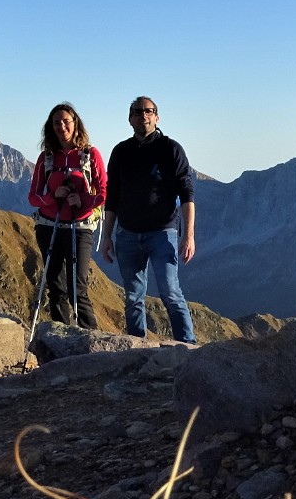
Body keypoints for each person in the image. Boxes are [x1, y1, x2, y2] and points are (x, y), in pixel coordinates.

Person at [99, 96, 197, 344]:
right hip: (128, 233)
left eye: (149, 111)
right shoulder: (121, 151)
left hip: (163, 233)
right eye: (138, 111)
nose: (144, 115)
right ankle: (137, 349)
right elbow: (112, 197)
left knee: (171, 294)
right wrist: (107, 236)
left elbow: (186, 193)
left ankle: (188, 348)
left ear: (157, 117)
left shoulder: (170, 148)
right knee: (133, 298)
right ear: (130, 118)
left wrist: (189, 236)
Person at [28, 103, 106, 328]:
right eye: (56, 123)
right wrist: (54, 197)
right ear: (50, 127)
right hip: (48, 225)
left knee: (77, 288)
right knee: (55, 287)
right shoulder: (47, 158)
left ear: (75, 123)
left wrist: (83, 202)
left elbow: (104, 192)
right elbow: (33, 196)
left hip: (79, 227)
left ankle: (89, 342)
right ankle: (61, 341)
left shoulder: (90, 154)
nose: (61, 126)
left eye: (66, 121)